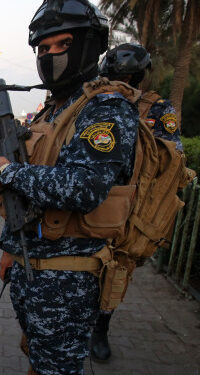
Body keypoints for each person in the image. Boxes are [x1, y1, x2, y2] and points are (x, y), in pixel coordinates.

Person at [0, 1, 140, 373]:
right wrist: (8, 251)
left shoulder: (105, 110)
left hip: (67, 280)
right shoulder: (55, 110)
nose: (50, 56)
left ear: (89, 46)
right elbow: (27, 192)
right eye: (43, 49)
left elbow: (84, 189)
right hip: (29, 267)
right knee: (39, 360)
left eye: (62, 45)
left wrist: (7, 174)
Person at [88, 42, 184, 362]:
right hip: (93, 198)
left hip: (133, 202)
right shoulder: (91, 101)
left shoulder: (157, 109)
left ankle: (101, 326)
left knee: (118, 266)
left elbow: (173, 155)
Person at [100, 43, 183, 151]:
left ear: (136, 78)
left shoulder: (156, 108)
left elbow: (171, 156)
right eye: (113, 80)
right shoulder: (96, 104)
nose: (117, 85)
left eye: (124, 79)